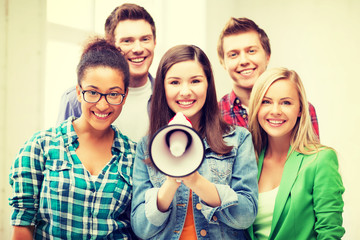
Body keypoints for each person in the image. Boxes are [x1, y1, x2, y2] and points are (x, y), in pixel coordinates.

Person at [9, 37, 137, 239]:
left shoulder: (134, 156)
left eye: (113, 94)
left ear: (125, 95)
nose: (103, 106)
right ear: (78, 92)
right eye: (92, 92)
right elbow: (23, 224)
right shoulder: (40, 146)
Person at [130, 45, 259, 239]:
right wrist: (172, 180)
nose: (185, 91)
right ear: (162, 87)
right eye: (174, 82)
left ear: (208, 84)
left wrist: (195, 181)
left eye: (195, 81)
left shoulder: (238, 139)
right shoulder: (148, 147)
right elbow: (141, 228)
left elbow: (246, 215)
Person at [247, 67, 345, 239]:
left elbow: (330, 232)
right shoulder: (247, 161)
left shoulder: (320, 160)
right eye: (266, 101)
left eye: (286, 102)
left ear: (300, 109)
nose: (275, 110)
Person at [57, 3, 156, 142]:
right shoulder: (74, 99)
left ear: (154, 42)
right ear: (111, 44)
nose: (138, 48)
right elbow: (60, 149)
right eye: (127, 41)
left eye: (145, 39)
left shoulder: (167, 95)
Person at [217, 17, 319, 137]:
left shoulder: (300, 110)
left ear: (267, 56)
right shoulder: (215, 115)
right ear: (222, 62)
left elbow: (313, 154)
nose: (243, 61)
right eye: (233, 54)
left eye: (251, 51)